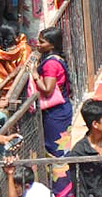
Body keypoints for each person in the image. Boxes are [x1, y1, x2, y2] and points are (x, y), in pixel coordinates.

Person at [28, 25, 72, 157]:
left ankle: (61, 177)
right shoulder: (55, 58)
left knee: (57, 150)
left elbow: (47, 90)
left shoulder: (51, 64)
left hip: (56, 113)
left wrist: (35, 74)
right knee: (62, 147)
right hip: (61, 109)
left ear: (52, 45)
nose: (38, 44)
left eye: (42, 42)